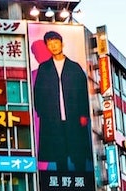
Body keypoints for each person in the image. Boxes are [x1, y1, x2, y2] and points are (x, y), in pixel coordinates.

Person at [29, 29, 91, 171]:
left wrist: (84, 114)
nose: (54, 46)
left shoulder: (74, 67)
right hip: (52, 119)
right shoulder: (44, 68)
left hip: (74, 117)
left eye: (56, 42)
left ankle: (80, 178)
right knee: (58, 155)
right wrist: (42, 113)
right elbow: (37, 93)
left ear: (62, 44)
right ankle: (62, 179)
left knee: (78, 154)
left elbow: (83, 92)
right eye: (50, 44)